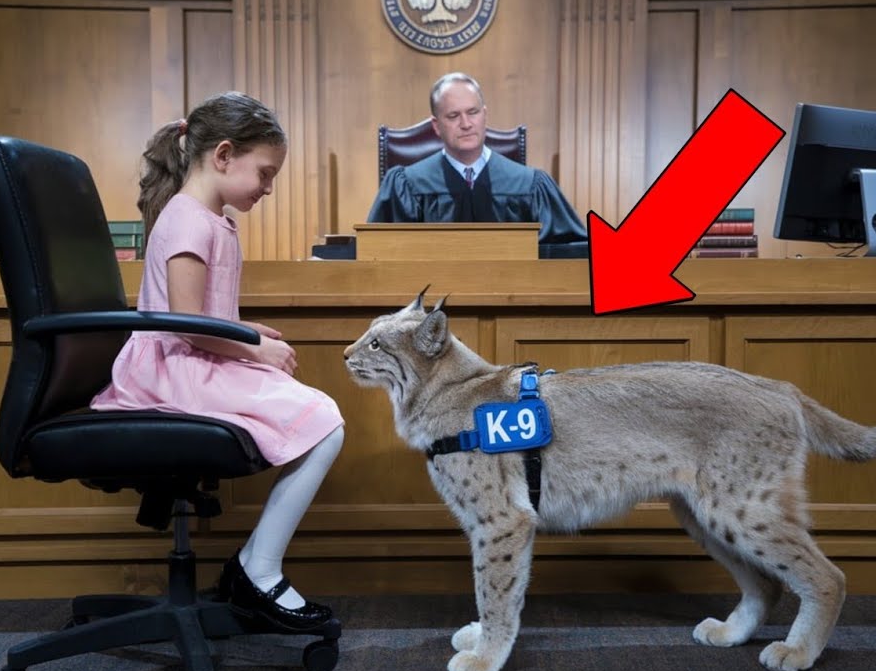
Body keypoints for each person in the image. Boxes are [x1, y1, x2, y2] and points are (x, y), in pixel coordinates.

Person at [91, 92, 344, 632]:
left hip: (189, 359)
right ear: (224, 155)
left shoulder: (207, 218)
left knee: (316, 415)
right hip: (173, 370)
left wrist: (245, 330)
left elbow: (196, 313)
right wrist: (252, 347)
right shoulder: (188, 222)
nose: (269, 188)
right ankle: (260, 572)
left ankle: (252, 569)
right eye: (265, 173)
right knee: (324, 423)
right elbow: (184, 323)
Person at [366, 72, 588, 244]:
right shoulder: (407, 187)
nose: (466, 123)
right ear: (436, 126)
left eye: (473, 112)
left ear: (485, 115)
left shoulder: (531, 185)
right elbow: (377, 254)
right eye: (453, 116)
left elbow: (569, 252)